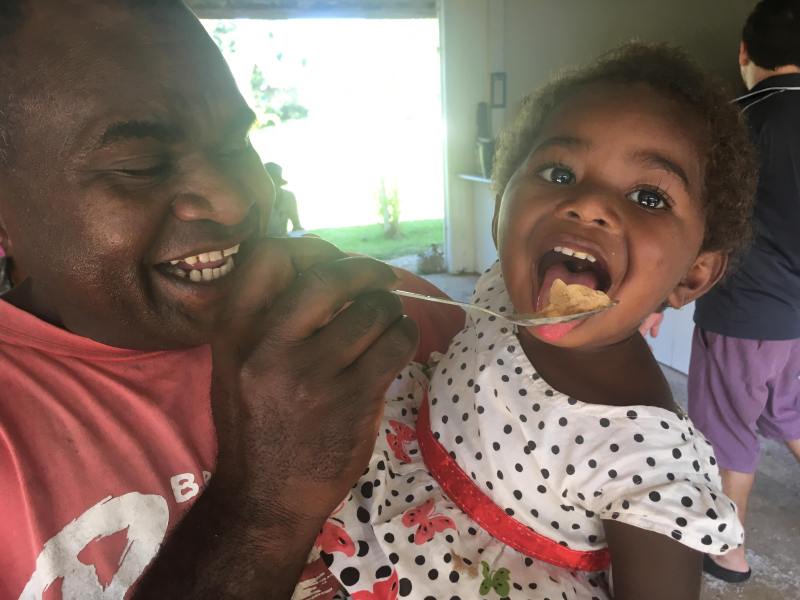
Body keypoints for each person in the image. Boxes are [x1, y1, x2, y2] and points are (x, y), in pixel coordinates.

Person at [0, 1, 465, 598]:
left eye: (235, 143)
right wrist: (265, 501)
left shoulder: (383, 317)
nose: (233, 200)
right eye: (140, 166)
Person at [310, 44, 758, 600]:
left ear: (691, 275)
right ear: (501, 207)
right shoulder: (502, 285)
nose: (589, 204)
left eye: (648, 196)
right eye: (559, 171)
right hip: (382, 482)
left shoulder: (650, 459)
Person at [688, 0, 800, 584]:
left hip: (742, 312)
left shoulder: (733, 123)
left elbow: (699, 222)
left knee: (729, 429)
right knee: (792, 413)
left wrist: (663, 295)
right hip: (796, 319)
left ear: (744, 53)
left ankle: (728, 551)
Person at [265, 161, 304, 236]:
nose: (272, 184)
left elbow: (296, 223)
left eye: (274, 180)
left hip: (284, 239)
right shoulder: (258, 199)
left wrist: (300, 233)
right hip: (264, 242)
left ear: (279, 182)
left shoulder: (289, 197)